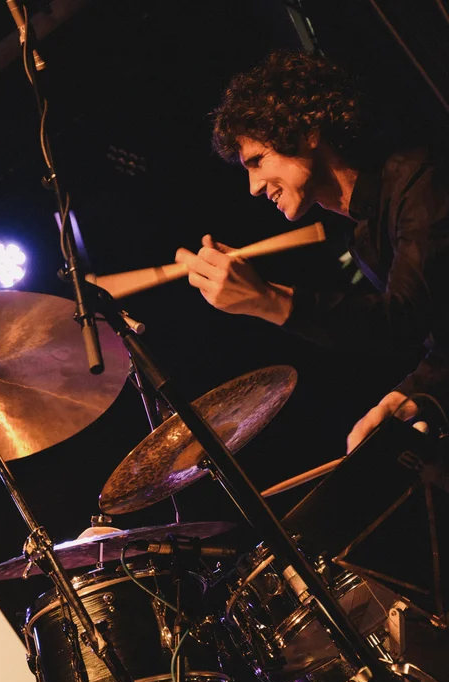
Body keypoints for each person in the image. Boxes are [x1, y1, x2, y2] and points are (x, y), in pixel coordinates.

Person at [175, 51, 449, 452]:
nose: (253, 187)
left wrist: (269, 300)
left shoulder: (420, 180)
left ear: (306, 132)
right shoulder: (364, 234)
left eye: (257, 160)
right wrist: (407, 397)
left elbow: (402, 320)